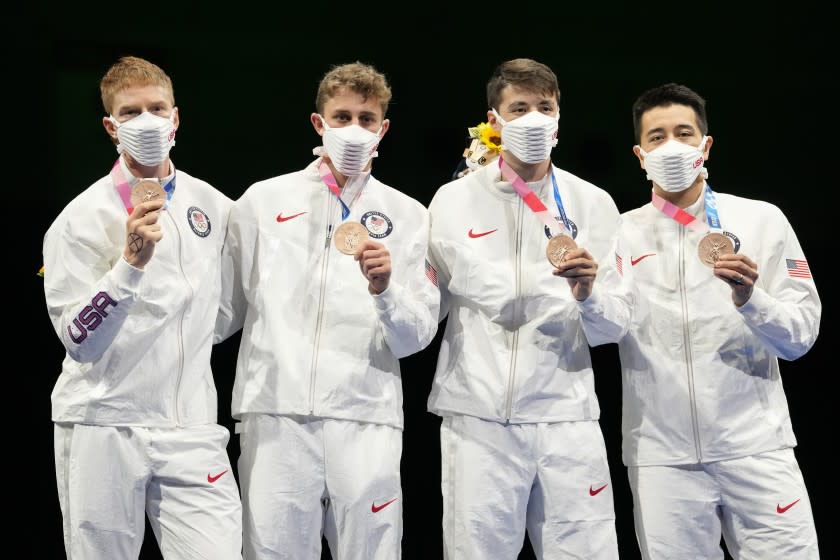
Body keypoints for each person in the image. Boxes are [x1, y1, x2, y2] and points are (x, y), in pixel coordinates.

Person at [215, 61, 440, 560]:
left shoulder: (408, 215)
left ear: (383, 130)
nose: (353, 130)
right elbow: (219, 315)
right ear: (319, 124)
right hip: (274, 413)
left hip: (367, 418)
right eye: (342, 117)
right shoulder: (261, 202)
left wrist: (385, 291)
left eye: (366, 119)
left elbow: (416, 337)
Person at [425, 57, 629, 559]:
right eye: (519, 108)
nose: (534, 117)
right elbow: (427, 314)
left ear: (559, 118)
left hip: (567, 416)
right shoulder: (450, 201)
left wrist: (590, 296)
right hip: (477, 419)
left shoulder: (594, 203)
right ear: (494, 121)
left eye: (545, 106)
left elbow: (616, 325)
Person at [41, 56, 242, 559]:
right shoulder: (80, 220)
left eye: (157, 108)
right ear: (111, 126)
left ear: (176, 118)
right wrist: (130, 264)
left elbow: (225, 313)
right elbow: (78, 342)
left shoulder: (216, 208)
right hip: (103, 425)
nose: (147, 121)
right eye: (131, 113)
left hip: (191, 427)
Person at [613, 82, 821, 558]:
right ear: (640, 154)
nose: (672, 146)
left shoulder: (762, 220)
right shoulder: (619, 232)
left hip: (757, 448)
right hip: (663, 459)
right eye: (658, 136)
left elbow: (802, 335)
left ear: (705, 146)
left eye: (684, 134)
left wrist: (752, 299)